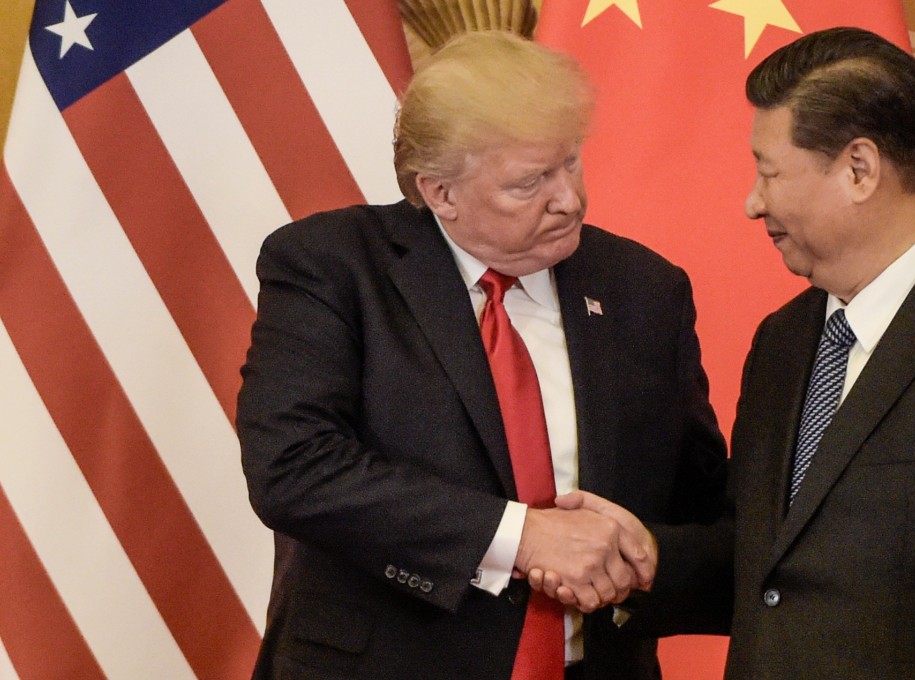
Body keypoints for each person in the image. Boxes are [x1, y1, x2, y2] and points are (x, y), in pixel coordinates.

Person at [237, 30, 730, 680]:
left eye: (571, 162)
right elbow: (293, 468)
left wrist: (641, 557)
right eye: (530, 182)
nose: (569, 198)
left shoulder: (643, 289)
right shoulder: (335, 265)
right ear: (440, 193)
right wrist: (522, 537)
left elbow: (702, 508)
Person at [726, 26, 915, 679]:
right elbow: (766, 562)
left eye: (769, 173)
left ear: (859, 169)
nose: (753, 203)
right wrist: (639, 554)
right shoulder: (782, 339)